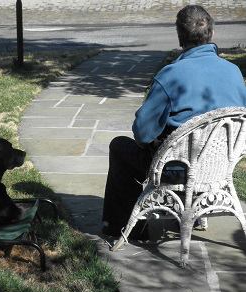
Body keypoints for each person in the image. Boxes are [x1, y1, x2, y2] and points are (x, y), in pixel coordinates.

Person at [102, 5, 246, 238]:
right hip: (219, 169)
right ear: (212, 33)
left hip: (177, 171)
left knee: (119, 146)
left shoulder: (171, 75)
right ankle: (194, 209)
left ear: (180, 36)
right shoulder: (234, 72)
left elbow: (142, 133)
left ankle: (124, 227)